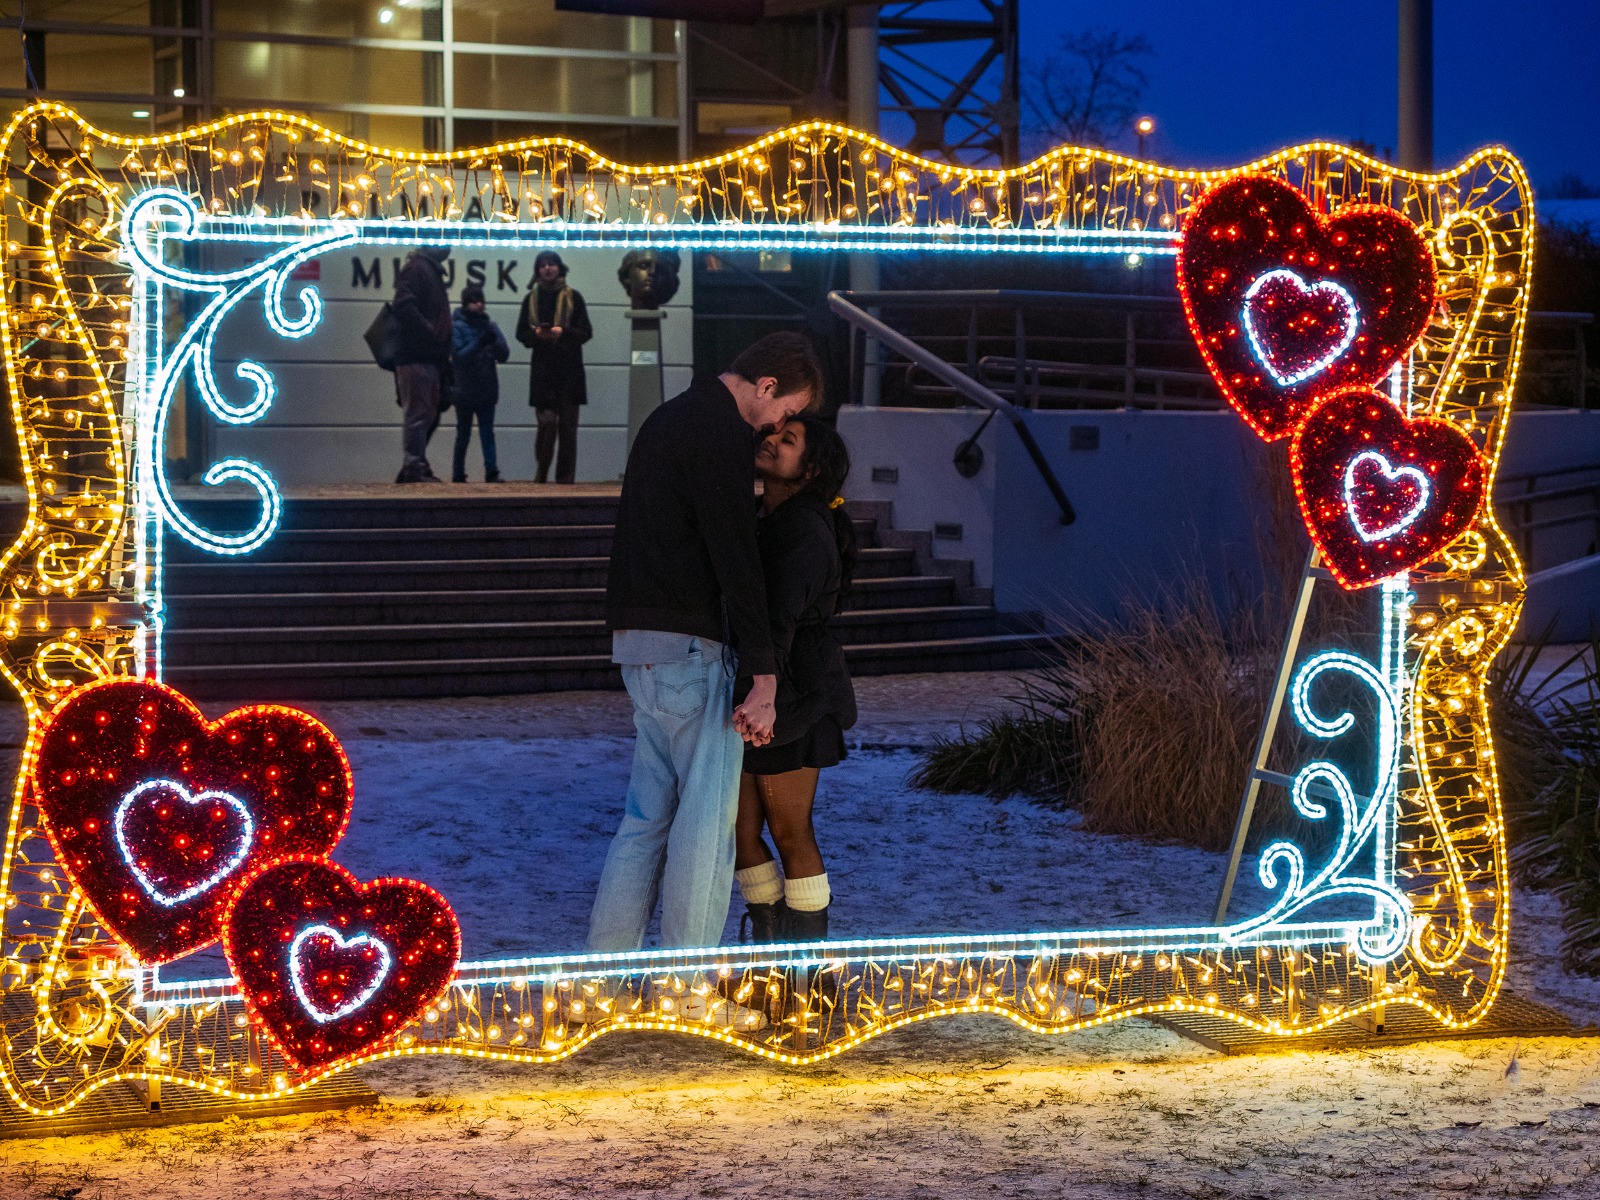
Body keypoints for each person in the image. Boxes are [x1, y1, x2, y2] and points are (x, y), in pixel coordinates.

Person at [587, 332, 826, 986]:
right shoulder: (719, 435)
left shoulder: (669, 418)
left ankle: (602, 983)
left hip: (640, 643)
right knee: (705, 826)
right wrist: (765, 672)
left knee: (644, 822)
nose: (782, 425)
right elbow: (735, 559)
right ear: (767, 387)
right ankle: (689, 989)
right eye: (787, 410)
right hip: (692, 646)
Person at [733, 415, 858, 944]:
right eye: (773, 434)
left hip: (796, 692)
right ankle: (768, 951)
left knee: (789, 830)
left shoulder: (805, 526)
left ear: (812, 469)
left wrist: (767, 692)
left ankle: (804, 971)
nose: (772, 442)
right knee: (738, 832)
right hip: (761, 686)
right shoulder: (766, 516)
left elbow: (780, 618)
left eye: (789, 441)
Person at [515, 250, 592, 484]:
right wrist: (538, 334)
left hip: (569, 374)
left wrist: (563, 332)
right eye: (543, 265)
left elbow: (586, 332)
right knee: (547, 424)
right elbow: (521, 334)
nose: (547, 268)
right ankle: (542, 473)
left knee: (568, 431)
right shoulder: (531, 299)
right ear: (537, 271)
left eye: (552, 264)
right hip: (543, 374)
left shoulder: (574, 297)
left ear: (560, 268)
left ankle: (565, 481)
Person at [391, 245, 453, 484]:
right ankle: (413, 467)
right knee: (419, 412)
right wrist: (429, 331)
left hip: (426, 355)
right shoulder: (418, 268)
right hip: (418, 354)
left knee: (427, 412)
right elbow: (403, 305)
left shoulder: (425, 269)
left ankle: (414, 464)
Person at [449, 283, 510, 483]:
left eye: (481, 301)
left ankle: (491, 471)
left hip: (485, 388)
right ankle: (458, 473)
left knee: (486, 432)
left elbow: (505, 353)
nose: (479, 305)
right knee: (463, 434)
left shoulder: (489, 325)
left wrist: (494, 345)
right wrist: (480, 344)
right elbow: (459, 356)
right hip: (465, 390)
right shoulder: (457, 326)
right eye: (475, 301)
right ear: (466, 303)